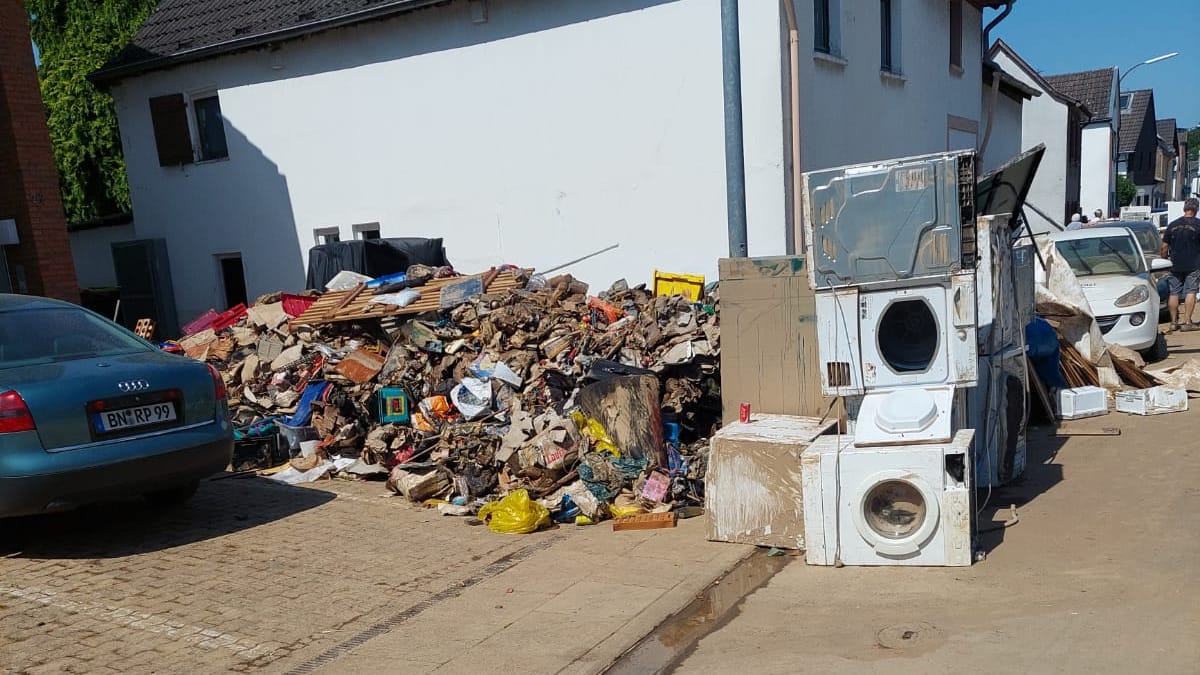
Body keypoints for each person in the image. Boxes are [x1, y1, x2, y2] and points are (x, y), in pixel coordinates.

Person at [1161, 197, 1200, 331]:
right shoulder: (1198, 225)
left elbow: (1164, 247)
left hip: (1174, 264)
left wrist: (1164, 261)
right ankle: (1187, 322)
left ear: (1185, 209)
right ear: (1196, 209)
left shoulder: (1172, 225)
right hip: (1193, 264)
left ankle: (1173, 323)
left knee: (1174, 292)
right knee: (1191, 291)